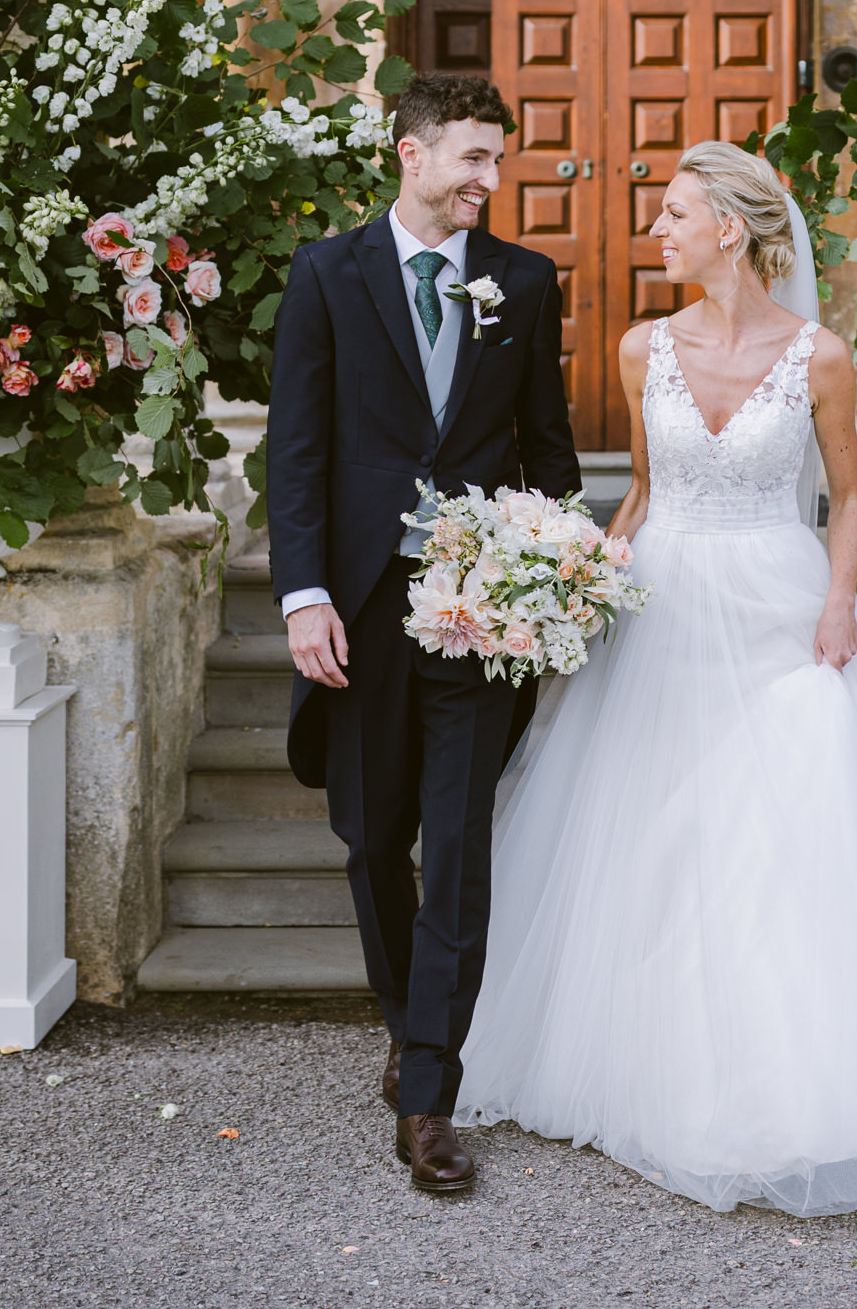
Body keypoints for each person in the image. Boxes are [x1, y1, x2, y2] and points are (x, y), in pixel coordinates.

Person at [454, 140, 857, 1216]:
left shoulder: (819, 355)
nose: (658, 229)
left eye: (675, 213)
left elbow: (848, 496)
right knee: (661, 829)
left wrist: (839, 602)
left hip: (783, 602)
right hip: (667, 603)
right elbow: (641, 492)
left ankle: (812, 1076)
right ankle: (665, 1065)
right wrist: (583, 572)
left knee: (790, 820)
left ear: (729, 229)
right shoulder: (641, 347)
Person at [264, 73, 580, 1194]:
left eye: (499, 161)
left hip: (480, 607)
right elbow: (295, 448)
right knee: (371, 831)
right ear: (411, 152)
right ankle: (410, 1018)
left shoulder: (524, 282)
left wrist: (560, 571)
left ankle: (429, 1091)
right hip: (358, 604)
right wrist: (302, 592)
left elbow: (544, 444)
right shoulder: (327, 274)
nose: (490, 183)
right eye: (473, 160)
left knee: (455, 837)